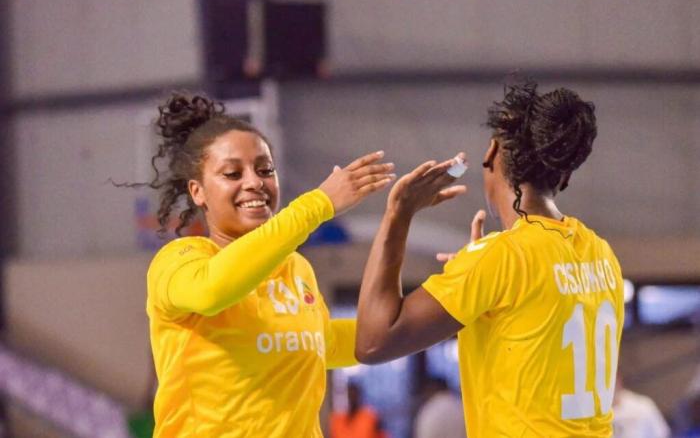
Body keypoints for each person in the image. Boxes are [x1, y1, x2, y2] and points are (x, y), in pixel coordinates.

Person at [355, 80, 625, 437]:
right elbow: (531, 327)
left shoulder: (500, 258)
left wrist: (398, 215)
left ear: (493, 152)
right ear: (564, 174)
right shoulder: (601, 253)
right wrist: (478, 285)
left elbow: (373, 342)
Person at [143, 93, 395, 437]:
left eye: (265, 170)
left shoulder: (296, 268)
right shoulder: (178, 262)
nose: (254, 182)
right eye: (232, 173)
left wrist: (449, 303)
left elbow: (329, 342)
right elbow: (213, 290)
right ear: (198, 191)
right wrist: (317, 205)